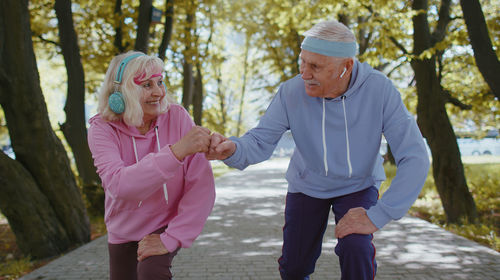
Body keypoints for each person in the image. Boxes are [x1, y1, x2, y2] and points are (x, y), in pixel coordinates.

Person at [207, 20, 430, 280]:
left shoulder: (379, 90)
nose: (304, 73)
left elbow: (414, 156)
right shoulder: (291, 92)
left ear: (345, 67)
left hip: (358, 185)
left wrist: (381, 213)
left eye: (315, 66)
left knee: (356, 248)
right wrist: (232, 149)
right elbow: (259, 141)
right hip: (307, 185)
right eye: (302, 62)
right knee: (294, 268)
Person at [88, 51, 215, 280]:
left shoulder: (177, 117)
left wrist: (171, 238)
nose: (158, 92)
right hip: (123, 230)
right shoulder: (102, 129)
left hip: (166, 223)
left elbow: (201, 186)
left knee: (151, 273)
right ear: (122, 92)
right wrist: (176, 152)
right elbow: (119, 185)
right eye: (146, 85)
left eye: (160, 82)